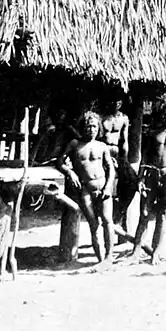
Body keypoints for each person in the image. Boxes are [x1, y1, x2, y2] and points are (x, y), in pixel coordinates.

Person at [129, 93, 166, 264]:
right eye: (163, 114)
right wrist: (140, 179)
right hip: (152, 174)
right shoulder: (152, 133)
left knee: (162, 215)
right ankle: (136, 252)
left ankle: (156, 252)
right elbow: (145, 157)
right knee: (144, 213)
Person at [59, 111, 116, 266]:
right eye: (89, 126)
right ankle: (100, 259)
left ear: (99, 128)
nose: (92, 130)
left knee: (107, 220)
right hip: (85, 189)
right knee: (94, 224)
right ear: (83, 128)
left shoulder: (102, 146)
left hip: (103, 187)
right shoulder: (75, 144)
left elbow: (110, 168)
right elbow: (60, 161)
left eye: (94, 127)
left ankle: (109, 257)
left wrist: (108, 186)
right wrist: (70, 172)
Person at [101, 98, 138, 233]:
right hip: (102, 153)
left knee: (132, 181)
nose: (115, 103)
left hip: (118, 154)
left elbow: (124, 140)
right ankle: (107, 222)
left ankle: (120, 215)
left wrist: (124, 159)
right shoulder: (101, 117)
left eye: (118, 101)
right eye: (113, 100)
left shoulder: (124, 118)